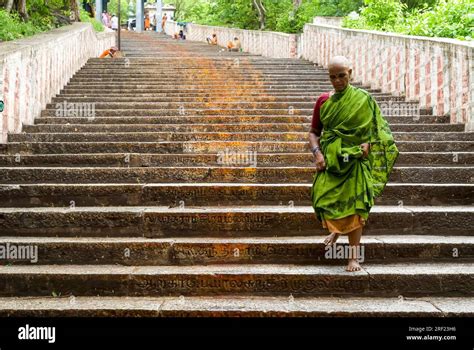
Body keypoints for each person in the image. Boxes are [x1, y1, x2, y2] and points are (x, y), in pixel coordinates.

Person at [309, 56, 398, 272]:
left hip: (356, 160)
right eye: (333, 77)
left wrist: (367, 143)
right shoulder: (323, 101)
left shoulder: (363, 99)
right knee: (324, 200)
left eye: (342, 76)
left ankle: (353, 257)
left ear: (351, 73)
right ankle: (337, 230)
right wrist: (317, 154)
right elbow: (313, 133)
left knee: (356, 208)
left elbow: (376, 129)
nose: (337, 81)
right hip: (331, 160)